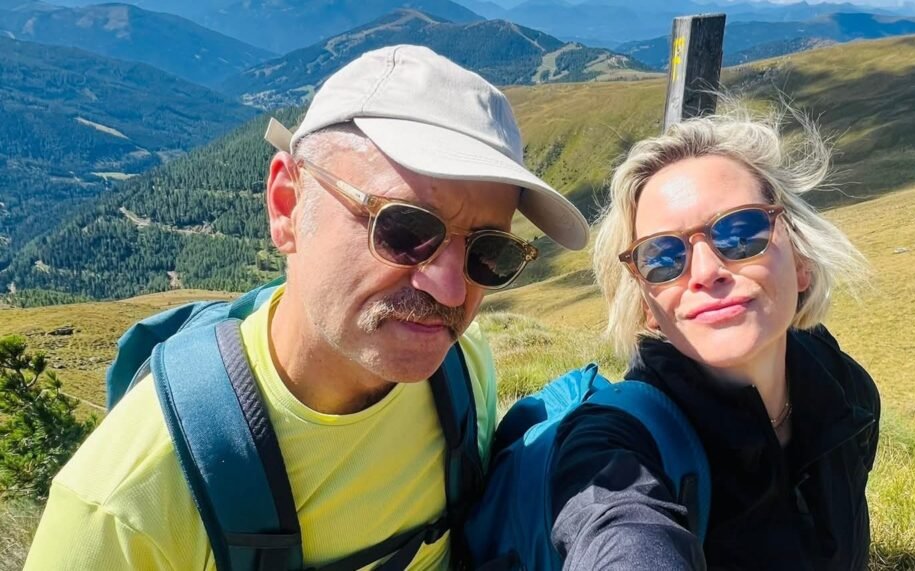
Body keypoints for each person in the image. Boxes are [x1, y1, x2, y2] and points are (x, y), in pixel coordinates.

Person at [25, 45, 588, 569]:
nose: (450, 290)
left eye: (489, 252)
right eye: (405, 229)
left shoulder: (463, 368)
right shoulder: (122, 506)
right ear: (287, 205)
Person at [551, 107, 880, 569]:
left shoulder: (843, 387)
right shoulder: (618, 446)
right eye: (662, 257)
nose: (706, 272)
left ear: (801, 260)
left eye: (741, 232)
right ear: (647, 306)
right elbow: (616, 532)